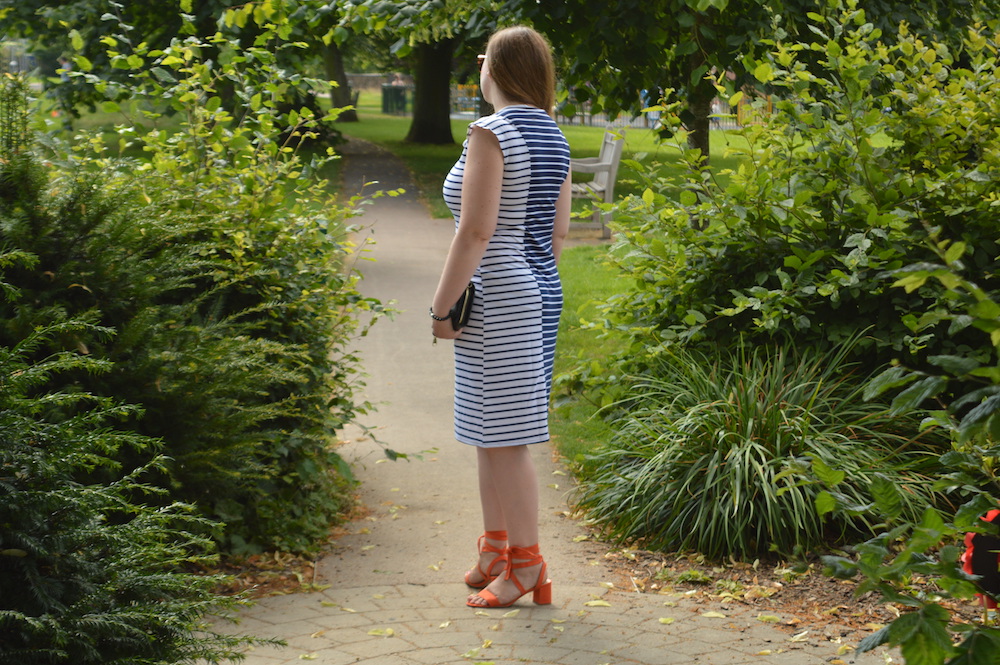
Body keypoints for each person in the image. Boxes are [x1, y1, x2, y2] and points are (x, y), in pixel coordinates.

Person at [429, 25, 572, 609]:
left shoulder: (492, 131)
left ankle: (527, 564)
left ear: (499, 70)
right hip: (538, 285)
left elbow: (476, 231)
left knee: (506, 436)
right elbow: (559, 231)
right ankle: (496, 549)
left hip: (500, 288)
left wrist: (442, 308)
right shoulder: (553, 135)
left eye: (484, 59)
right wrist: (530, 286)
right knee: (491, 426)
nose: (479, 68)